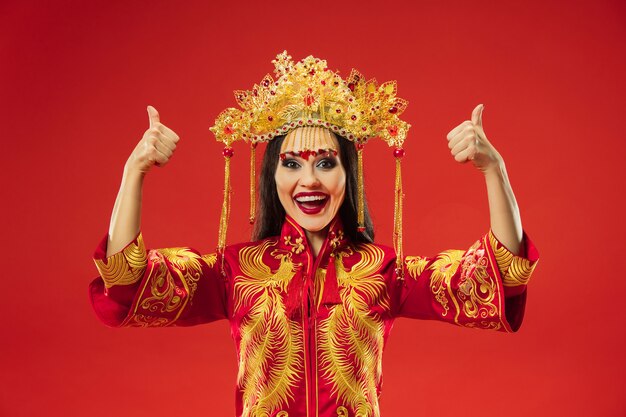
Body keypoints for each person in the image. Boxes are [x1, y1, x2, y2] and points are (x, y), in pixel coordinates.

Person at [89, 52, 538, 417]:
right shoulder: (235, 271)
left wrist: (494, 170)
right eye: (292, 164)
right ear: (272, 176)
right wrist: (134, 173)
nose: (309, 181)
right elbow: (125, 283)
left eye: (326, 163)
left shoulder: (384, 271)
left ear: (349, 176)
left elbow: (501, 274)